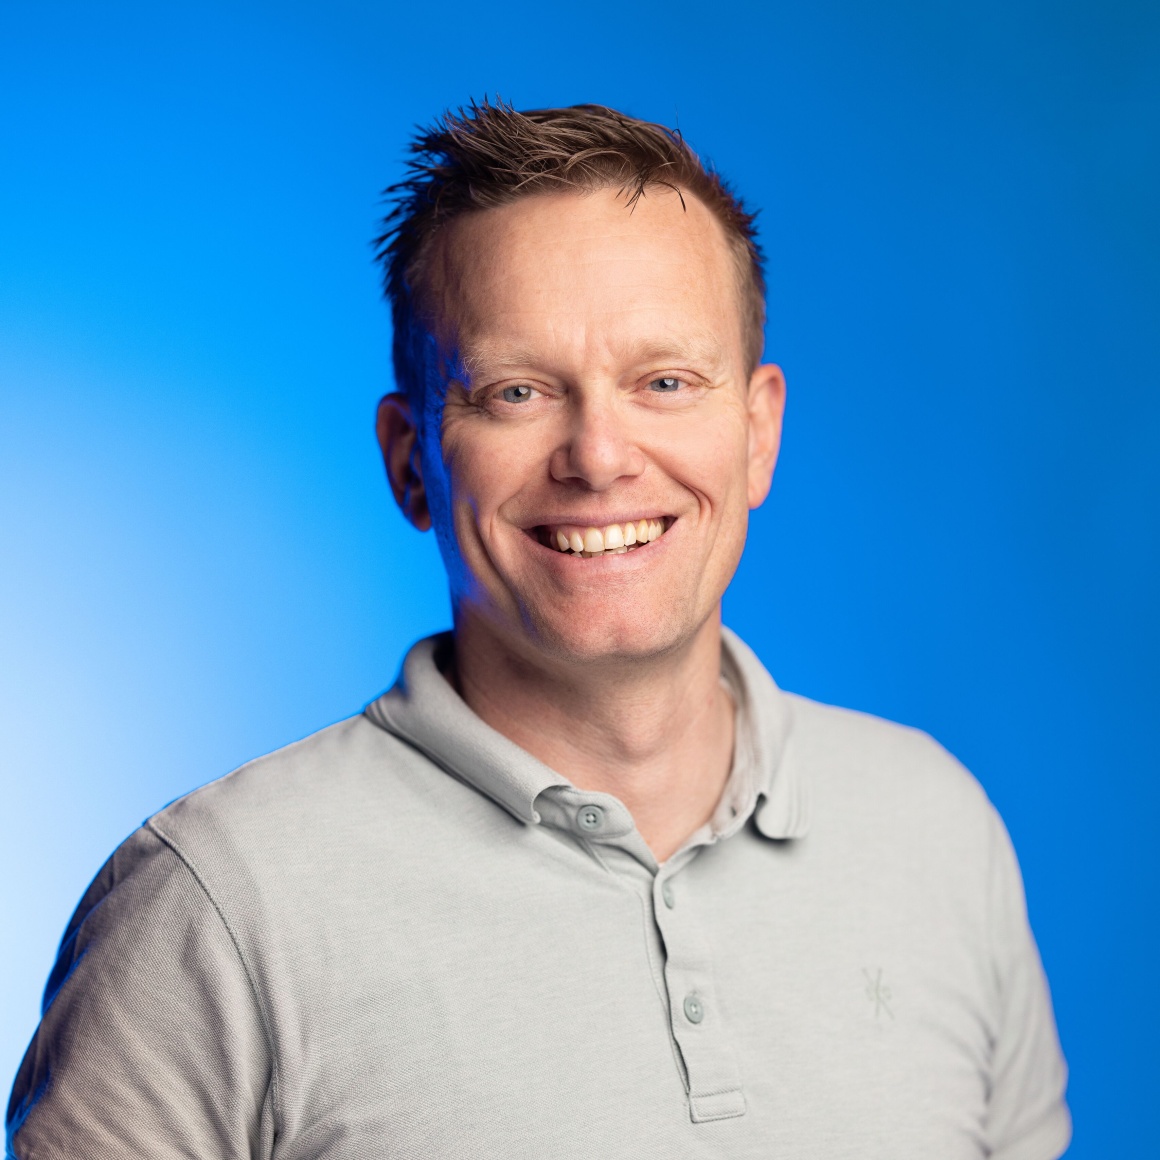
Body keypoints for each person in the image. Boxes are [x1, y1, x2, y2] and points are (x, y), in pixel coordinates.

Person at [6, 100, 1070, 1159]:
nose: (598, 456)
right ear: (410, 458)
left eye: (663, 381)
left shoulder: (934, 829)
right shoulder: (217, 903)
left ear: (756, 432)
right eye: (515, 391)